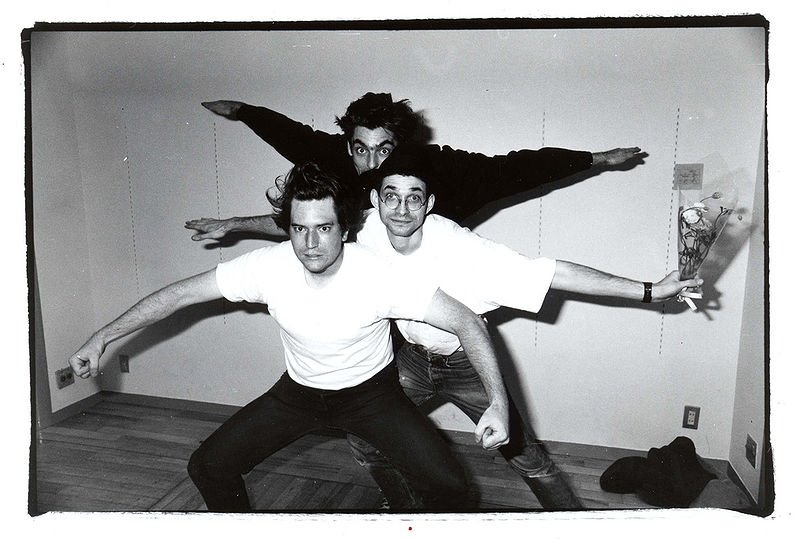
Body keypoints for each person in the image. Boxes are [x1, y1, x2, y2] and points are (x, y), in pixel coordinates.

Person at [68, 162, 511, 512]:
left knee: (452, 487)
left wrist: (497, 403)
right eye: (300, 228)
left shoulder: (379, 275)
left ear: (345, 228)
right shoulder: (268, 266)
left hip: (372, 395)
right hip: (298, 394)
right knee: (208, 466)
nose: (311, 243)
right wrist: (101, 336)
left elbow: (467, 322)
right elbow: (180, 294)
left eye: (324, 228)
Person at [336, 146, 702, 510]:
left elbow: (555, 273)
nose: (401, 210)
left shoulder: (460, 249)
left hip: (467, 363)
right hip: (412, 361)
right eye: (391, 197)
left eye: (413, 198)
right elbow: (313, 230)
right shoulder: (364, 228)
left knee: (528, 459)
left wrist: (650, 291)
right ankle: (404, 513)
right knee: (364, 438)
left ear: (429, 203)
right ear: (375, 200)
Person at [186, 92, 644, 240]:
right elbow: (290, 135)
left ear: (401, 146)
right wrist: (244, 111)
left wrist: (595, 159)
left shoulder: (440, 170)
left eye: (383, 150)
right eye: (360, 149)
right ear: (347, 144)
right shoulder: (335, 161)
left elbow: (514, 169)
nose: (370, 162)